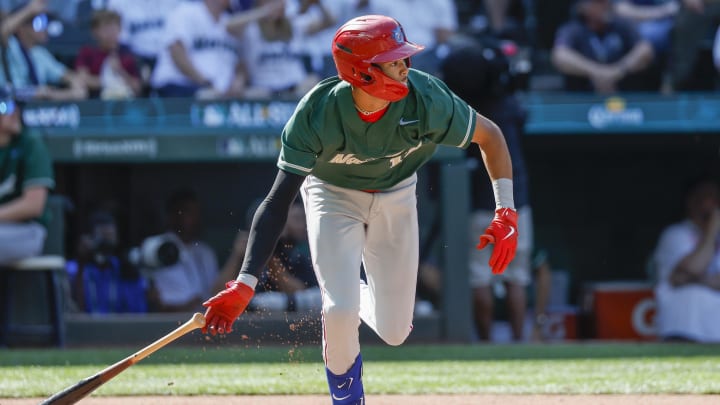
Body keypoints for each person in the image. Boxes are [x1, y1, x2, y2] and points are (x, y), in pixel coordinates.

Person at [201, 15, 518, 404]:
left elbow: (491, 136)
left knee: (395, 330)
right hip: (332, 195)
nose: (405, 66)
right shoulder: (317, 112)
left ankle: (352, 289)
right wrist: (246, 281)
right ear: (362, 71)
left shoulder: (426, 97)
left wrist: (506, 210)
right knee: (338, 310)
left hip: (397, 193)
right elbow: (277, 200)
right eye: (393, 59)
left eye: (403, 57)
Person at [440, 39, 533, 342]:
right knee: (515, 277)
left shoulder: (463, 111)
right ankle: (519, 342)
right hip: (513, 202)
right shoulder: (506, 105)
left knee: (480, 275)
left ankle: (488, 343)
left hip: (479, 205)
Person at [650, 175, 720, 342]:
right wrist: (711, 232)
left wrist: (696, 280)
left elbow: (687, 276)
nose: (712, 204)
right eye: (705, 197)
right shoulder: (675, 234)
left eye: (715, 198)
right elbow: (692, 268)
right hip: (684, 327)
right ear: (691, 201)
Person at [551, 0, 657, 93]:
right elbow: (560, 55)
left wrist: (618, 71)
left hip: (626, 100)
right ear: (583, 8)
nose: (606, 4)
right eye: (599, 1)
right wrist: (597, 72)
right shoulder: (573, 29)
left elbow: (646, 50)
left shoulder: (622, 24)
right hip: (581, 100)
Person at [0, 86, 54, 264]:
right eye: (4, 107)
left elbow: (33, 205)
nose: (14, 112)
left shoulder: (30, 143)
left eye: (15, 106)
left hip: (27, 230)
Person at [146, 189, 221, 312]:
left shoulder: (206, 251)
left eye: (197, 212)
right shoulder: (158, 247)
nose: (195, 218)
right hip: (170, 323)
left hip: (205, 322)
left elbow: (217, 293)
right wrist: (192, 305)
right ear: (172, 215)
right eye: (188, 212)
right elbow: (156, 303)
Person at [0, 0, 88, 101]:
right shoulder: (10, 45)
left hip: (36, 112)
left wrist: (75, 84)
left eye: (46, 22)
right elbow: (2, 32)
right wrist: (29, 10)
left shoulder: (40, 53)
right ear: (21, 28)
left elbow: (68, 76)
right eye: (39, 23)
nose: (45, 28)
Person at [65, 210, 148, 314]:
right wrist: (81, 264)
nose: (106, 245)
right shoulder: (72, 269)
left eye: (110, 238)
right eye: (102, 239)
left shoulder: (125, 270)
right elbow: (74, 310)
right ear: (89, 238)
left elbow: (137, 314)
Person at [250, 199, 321, 312]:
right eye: (297, 219)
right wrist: (237, 254)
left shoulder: (296, 256)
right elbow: (217, 293)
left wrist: (269, 255)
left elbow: (304, 298)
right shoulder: (246, 250)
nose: (303, 226)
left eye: (304, 219)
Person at [74, 9, 142, 99]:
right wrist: (109, 81)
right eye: (106, 29)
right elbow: (82, 79)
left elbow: (137, 87)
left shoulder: (127, 53)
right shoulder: (87, 52)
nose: (111, 34)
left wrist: (120, 71)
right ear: (95, 32)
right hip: (95, 103)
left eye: (114, 28)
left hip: (124, 104)